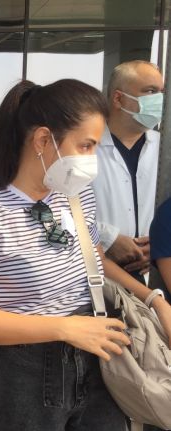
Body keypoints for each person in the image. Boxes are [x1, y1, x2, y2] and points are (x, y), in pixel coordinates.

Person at [0, 79, 171, 431]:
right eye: (86, 146)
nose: (92, 160)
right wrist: (66, 328)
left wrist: (155, 300)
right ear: (43, 140)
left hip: (98, 361)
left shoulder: (77, 197)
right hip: (21, 373)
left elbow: (95, 262)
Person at [92, 60, 163, 283]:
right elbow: (61, 209)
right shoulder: (85, 147)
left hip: (156, 274)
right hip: (98, 276)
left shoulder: (164, 148)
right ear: (118, 99)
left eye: (162, 92)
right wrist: (107, 238)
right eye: (150, 91)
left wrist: (161, 242)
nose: (159, 100)